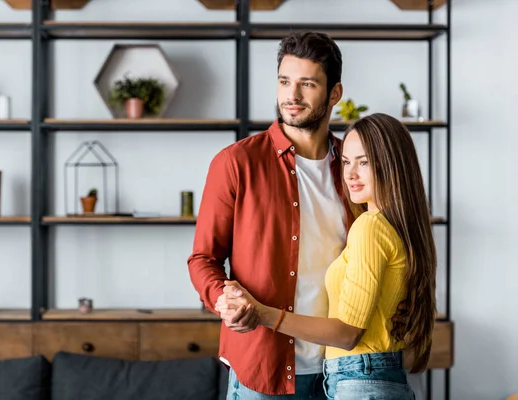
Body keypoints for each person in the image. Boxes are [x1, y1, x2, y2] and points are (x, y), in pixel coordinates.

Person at [187, 31, 407, 399]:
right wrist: (223, 299)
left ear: (335, 93)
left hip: (341, 368)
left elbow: (388, 244)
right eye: (285, 81)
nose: (292, 96)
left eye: (307, 84)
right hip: (262, 367)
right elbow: (203, 258)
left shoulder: (354, 171)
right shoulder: (236, 163)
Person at [215, 112, 437, 399]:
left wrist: (263, 314)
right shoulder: (394, 226)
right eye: (346, 161)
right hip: (368, 375)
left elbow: (347, 334)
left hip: (360, 379)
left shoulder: (370, 227)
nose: (350, 174)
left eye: (365, 162)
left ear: (392, 164)